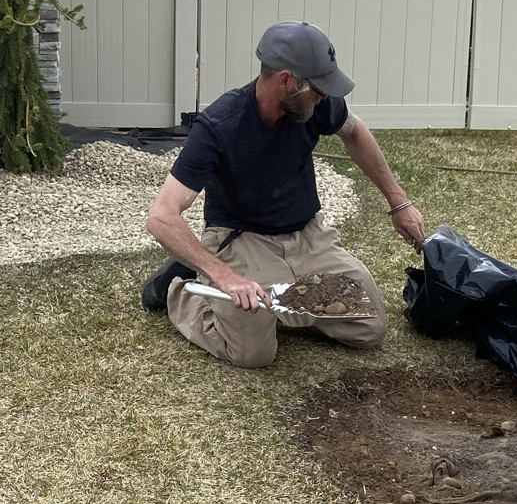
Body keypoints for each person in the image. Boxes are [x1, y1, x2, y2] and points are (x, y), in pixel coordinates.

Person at [141, 21, 426, 369]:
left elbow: (354, 130)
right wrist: (225, 276)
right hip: (244, 240)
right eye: (317, 88)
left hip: (307, 237)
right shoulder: (220, 125)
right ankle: (186, 289)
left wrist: (398, 202)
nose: (324, 96)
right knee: (253, 354)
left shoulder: (314, 105)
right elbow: (161, 217)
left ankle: (276, 303)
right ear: (286, 80)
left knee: (368, 327)